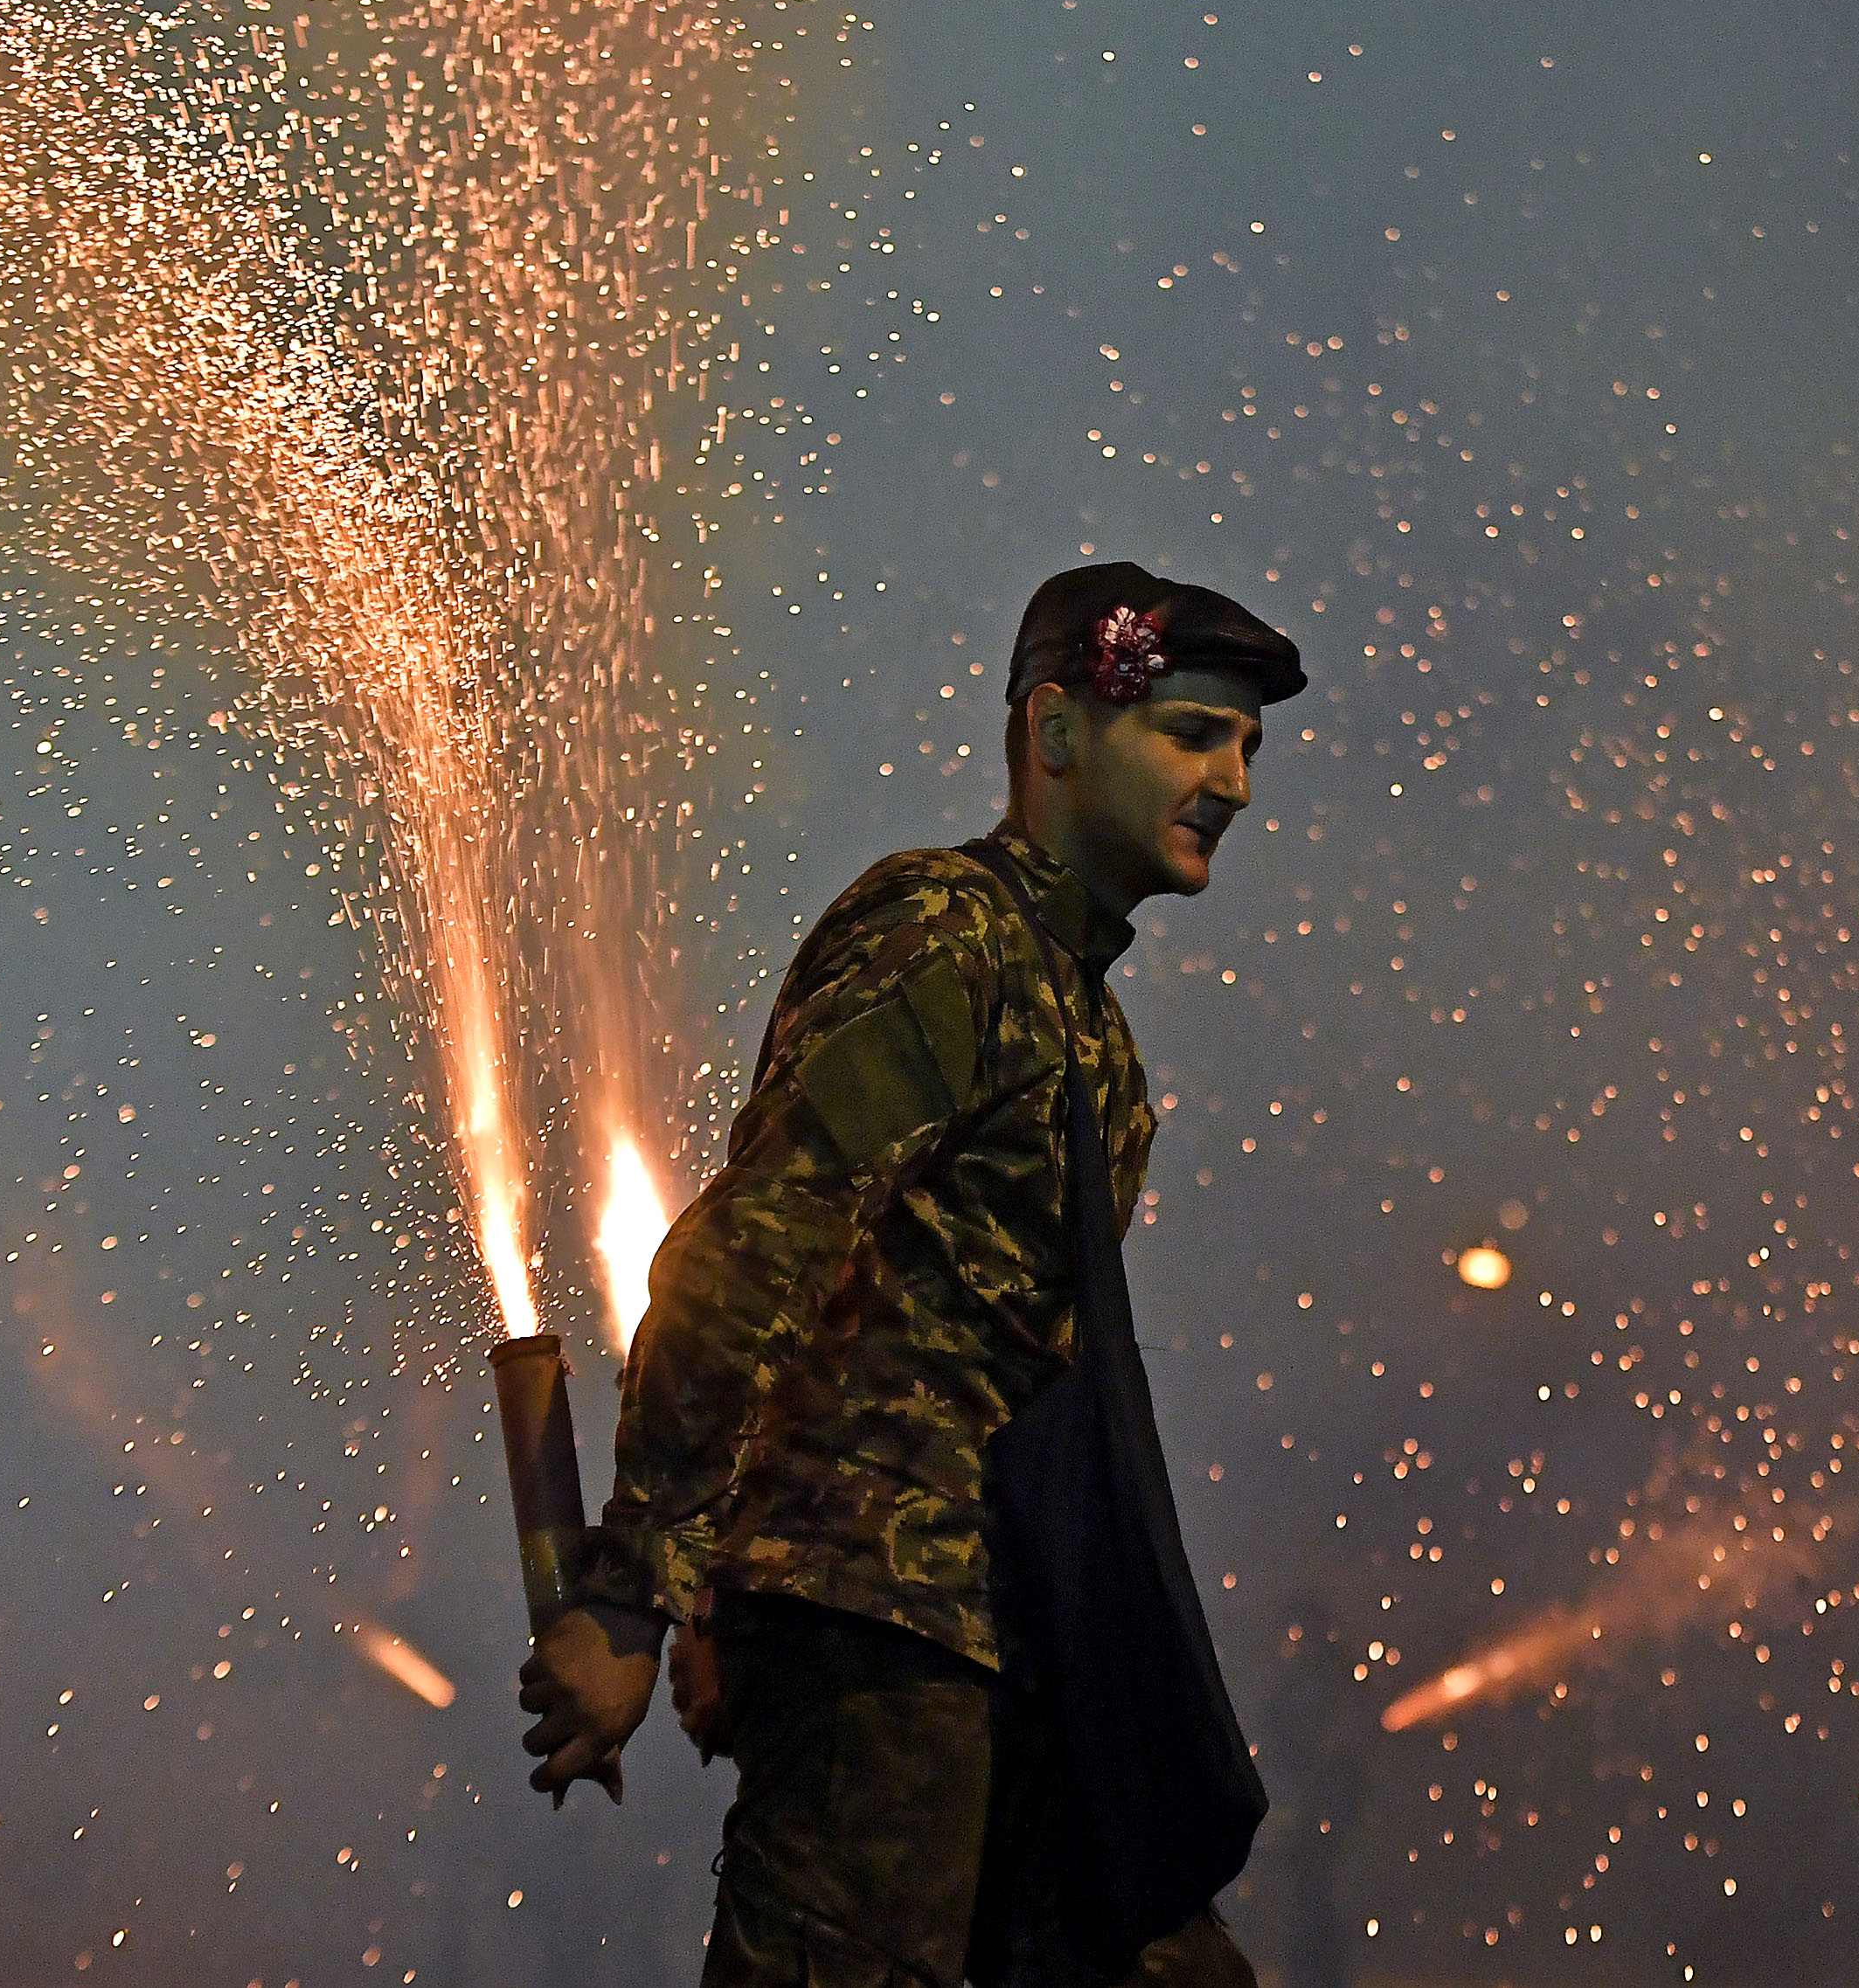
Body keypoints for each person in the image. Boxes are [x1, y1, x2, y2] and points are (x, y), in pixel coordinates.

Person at [518, 563, 1310, 1988]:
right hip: (881, 1640)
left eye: (1247, 746)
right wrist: (640, 1593)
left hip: (1011, 1651)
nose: (1235, 781)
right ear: (1058, 731)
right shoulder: (946, 936)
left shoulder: (1096, 1045)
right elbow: (755, 1251)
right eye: (1194, 731)